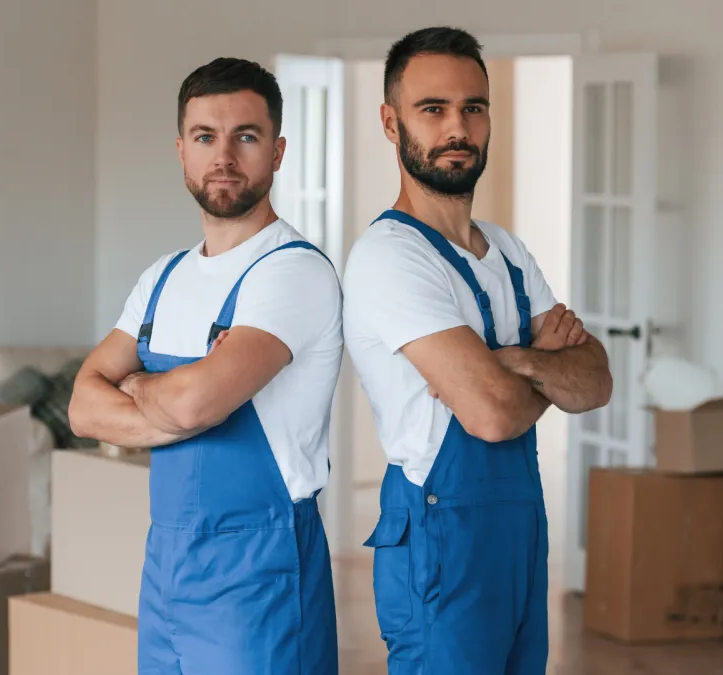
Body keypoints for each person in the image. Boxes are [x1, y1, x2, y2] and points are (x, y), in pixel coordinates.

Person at [342, 27, 614, 675]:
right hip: (441, 543)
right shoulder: (389, 256)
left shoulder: (508, 252)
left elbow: (596, 380)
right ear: (390, 122)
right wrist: (541, 367)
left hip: (518, 538)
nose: (456, 127)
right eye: (432, 109)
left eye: (473, 107)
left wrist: (512, 362)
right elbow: (489, 416)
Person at [69, 57, 342, 675]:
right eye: (205, 137)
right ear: (181, 151)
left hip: (261, 568)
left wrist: (138, 385)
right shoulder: (160, 280)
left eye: (246, 136)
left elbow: (196, 405)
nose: (224, 156)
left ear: (277, 151)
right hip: (166, 560)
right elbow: (83, 407)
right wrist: (181, 394)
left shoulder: (293, 271)